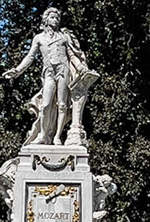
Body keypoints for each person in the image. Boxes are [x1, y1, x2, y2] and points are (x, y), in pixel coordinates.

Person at [5, 8, 93, 146]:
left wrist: (80, 67)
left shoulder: (64, 37)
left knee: (62, 105)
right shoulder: (39, 38)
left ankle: (57, 136)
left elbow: (72, 55)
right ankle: (43, 135)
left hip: (63, 70)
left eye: (57, 18)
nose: (55, 20)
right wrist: (17, 70)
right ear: (46, 20)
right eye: (52, 17)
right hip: (48, 73)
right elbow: (30, 57)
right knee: (45, 105)